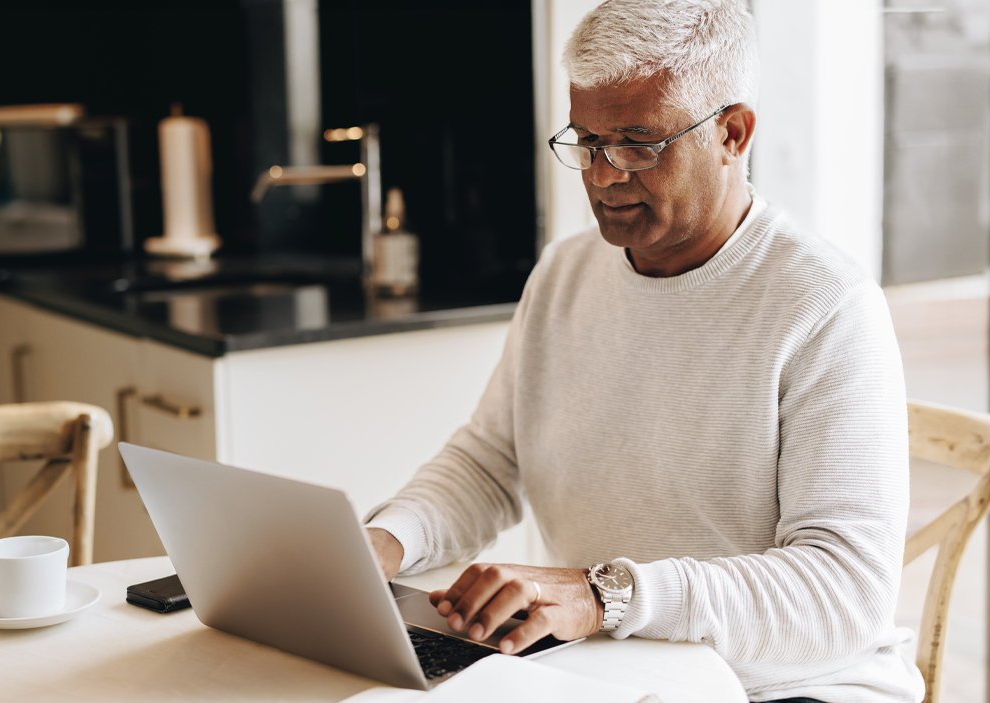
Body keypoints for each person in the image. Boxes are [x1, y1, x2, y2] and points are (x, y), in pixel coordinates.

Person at [363, 2, 924, 702]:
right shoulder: (563, 275)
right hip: (613, 669)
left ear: (731, 133)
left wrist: (609, 594)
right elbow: (489, 461)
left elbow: (843, 589)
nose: (601, 175)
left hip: (789, 685)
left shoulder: (824, 305)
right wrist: (381, 544)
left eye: (637, 143)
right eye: (587, 140)